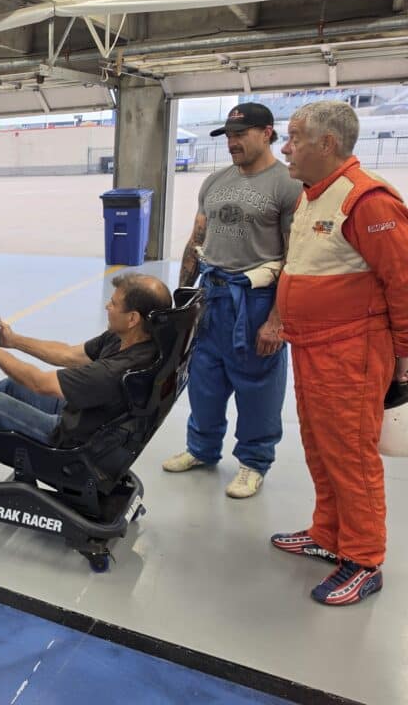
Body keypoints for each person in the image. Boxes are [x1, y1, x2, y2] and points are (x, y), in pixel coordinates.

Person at [272, 100, 408, 606]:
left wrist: (404, 359)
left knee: (350, 454)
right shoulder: (312, 195)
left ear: (326, 143)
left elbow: (403, 282)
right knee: (320, 446)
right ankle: (329, 534)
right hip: (313, 347)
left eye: (294, 138)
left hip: (352, 351)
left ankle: (365, 559)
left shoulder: (367, 201)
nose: (286, 148)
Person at [0, 273, 172, 483]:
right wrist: (13, 341)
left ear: (133, 318)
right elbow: (68, 354)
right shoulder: (130, 340)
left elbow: (40, 384)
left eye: (113, 303)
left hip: (75, 439)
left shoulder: (115, 370)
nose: (107, 305)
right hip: (90, 417)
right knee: (12, 385)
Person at [162, 103, 302, 498]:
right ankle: (201, 449)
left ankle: (254, 462)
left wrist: (276, 320)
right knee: (204, 379)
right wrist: (181, 304)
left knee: (258, 387)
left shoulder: (287, 185)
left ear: (267, 133)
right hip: (211, 296)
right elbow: (197, 241)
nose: (232, 142)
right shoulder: (215, 182)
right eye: (228, 135)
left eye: (240, 134)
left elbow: (295, 258)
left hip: (255, 300)